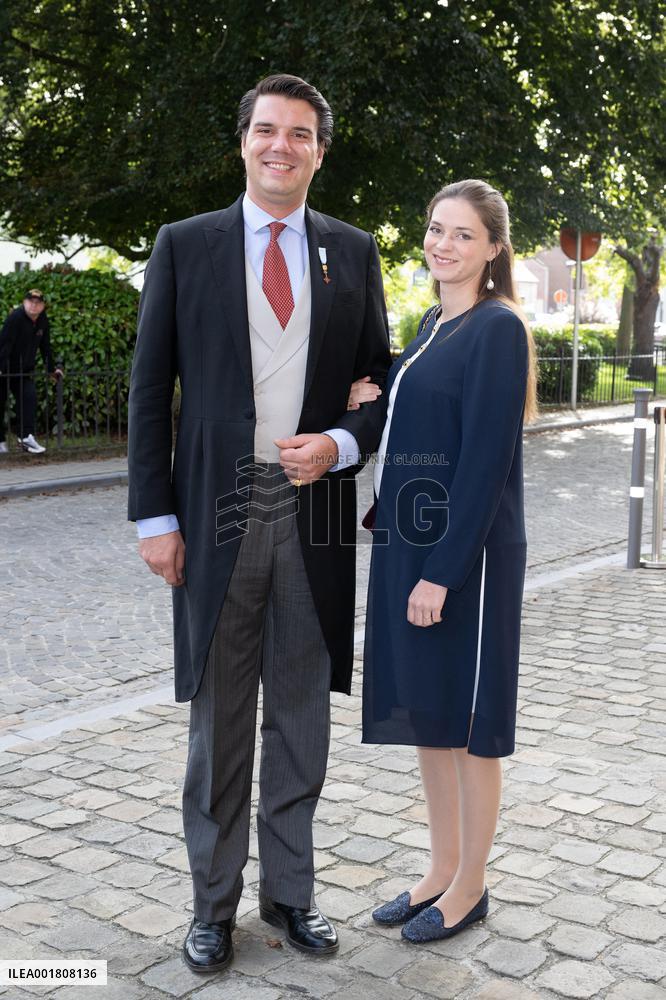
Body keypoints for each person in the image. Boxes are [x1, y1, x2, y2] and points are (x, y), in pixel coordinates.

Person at [128, 74, 391, 974]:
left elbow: (376, 387)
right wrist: (154, 518)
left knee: (303, 716)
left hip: (312, 515)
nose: (283, 146)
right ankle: (211, 905)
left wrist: (343, 444)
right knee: (220, 721)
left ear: (321, 150)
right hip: (215, 513)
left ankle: (291, 892)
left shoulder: (352, 253)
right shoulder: (184, 245)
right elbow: (148, 389)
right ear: (243, 141)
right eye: (268, 131)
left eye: (302, 134)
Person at [356, 179, 537, 944]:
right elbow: (413, 415)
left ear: (493, 249)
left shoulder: (497, 328)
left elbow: (486, 460)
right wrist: (374, 389)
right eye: (436, 229)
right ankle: (439, 868)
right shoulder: (432, 321)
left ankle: (471, 887)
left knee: (468, 721)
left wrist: (444, 570)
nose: (443, 245)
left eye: (463, 234)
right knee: (431, 714)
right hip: (409, 543)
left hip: (466, 556)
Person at [0, 289, 63, 454]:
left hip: (24, 370)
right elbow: (4, 344)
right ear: (24, 302)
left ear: (43, 306)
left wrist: (52, 369)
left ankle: (26, 438)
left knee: (29, 398)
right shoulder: (15, 318)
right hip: (4, 369)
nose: (34, 305)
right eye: (31, 301)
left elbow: (45, 347)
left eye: (38, 303)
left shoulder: (42, 320)